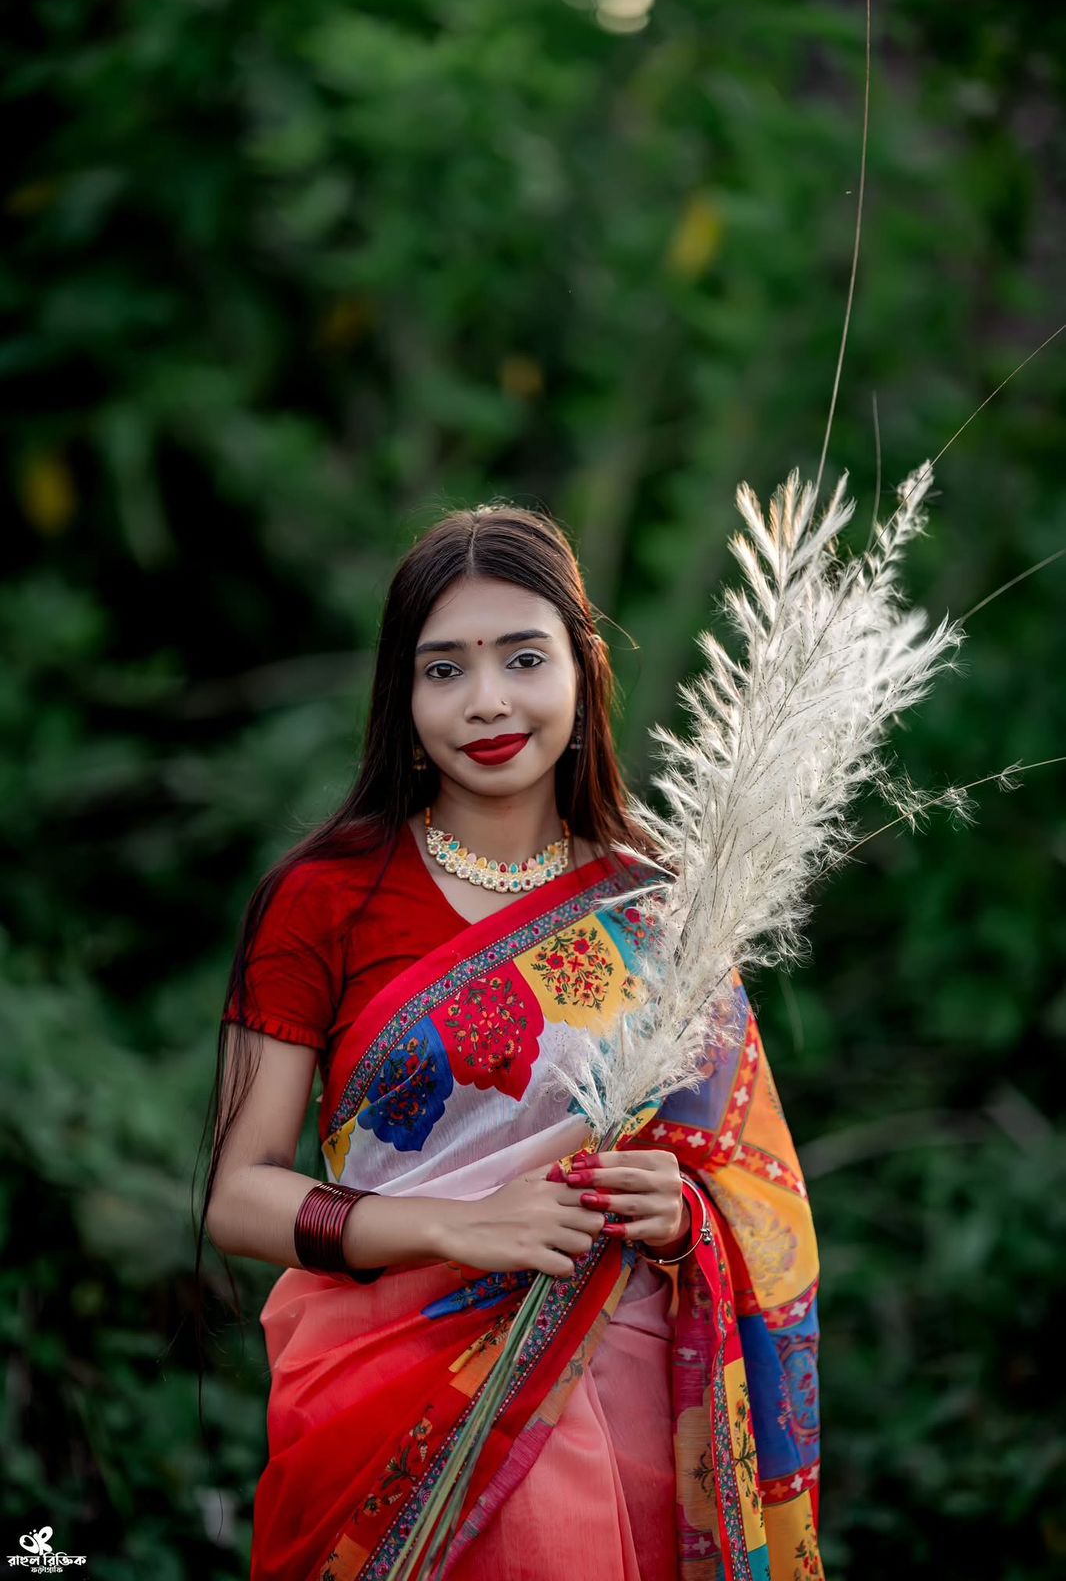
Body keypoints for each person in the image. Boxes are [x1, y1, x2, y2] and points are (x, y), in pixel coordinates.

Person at [198, 504, 823, 1581]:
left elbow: (754, 1195)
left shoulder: (666, 909)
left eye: (522, 658)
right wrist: (456, 1227)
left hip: (624, 1402)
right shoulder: (323, 902)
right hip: (384, 1410)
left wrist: (682, 1221)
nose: (486, 701)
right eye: (444, 669)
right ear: (402, 693)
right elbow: (237, 1194)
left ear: (583, 670)